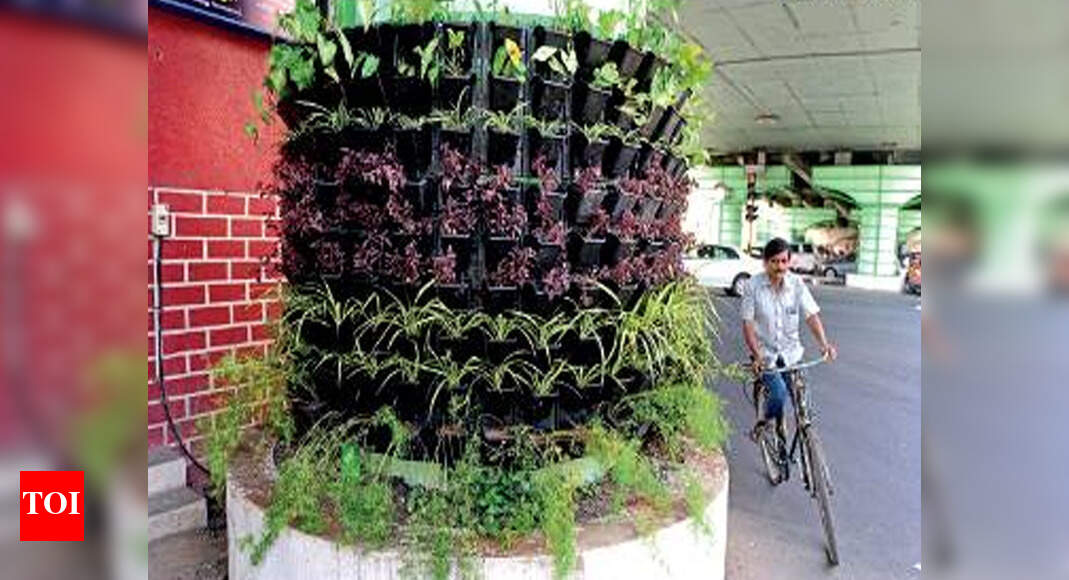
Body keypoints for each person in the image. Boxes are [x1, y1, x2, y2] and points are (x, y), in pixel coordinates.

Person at [742, 238, 838, 440]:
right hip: (765, 355)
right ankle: (765, 423)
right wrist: (757, 356)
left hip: (792, 354)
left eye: (784, 261)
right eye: (774, 262)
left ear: (789, 262)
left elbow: (811, 315)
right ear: (765, 263)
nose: (780, 267)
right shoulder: (752, 287)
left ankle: (808, 447)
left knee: (801, 402)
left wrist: (824, 344)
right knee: (777, 394)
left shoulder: (796, 284)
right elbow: (748, 324)